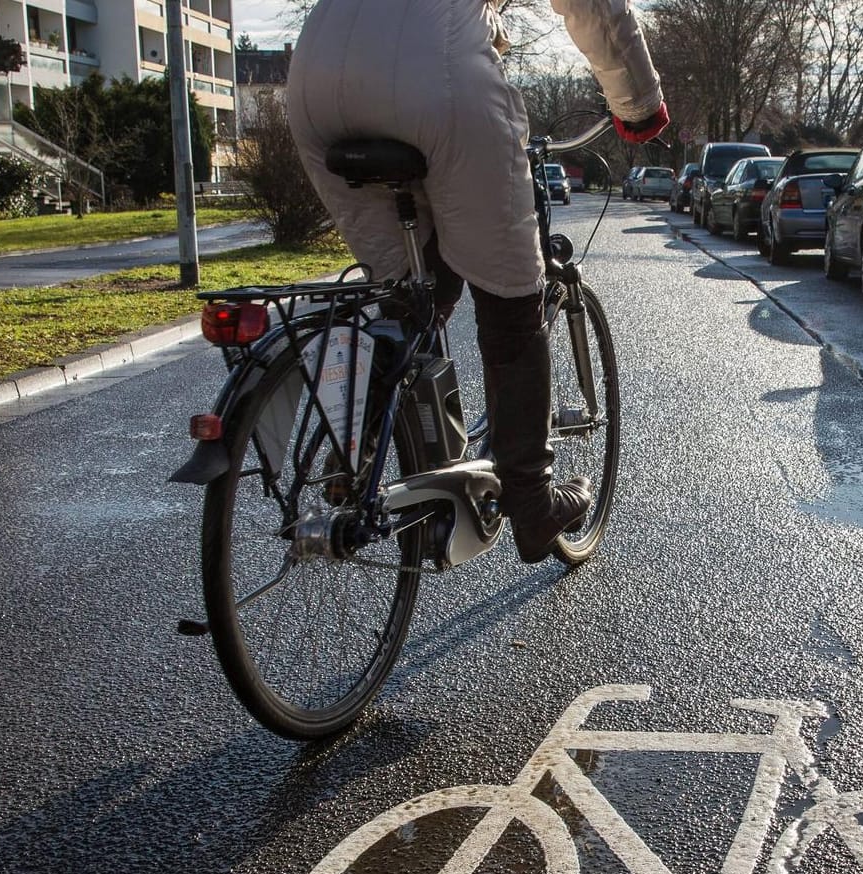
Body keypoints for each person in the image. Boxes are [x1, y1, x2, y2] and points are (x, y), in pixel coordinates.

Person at [286, 0, 668, 562]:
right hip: (433, 83)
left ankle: (352, 466)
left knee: (408, 298)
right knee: (512, 300)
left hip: (313, 83)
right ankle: (533, 505)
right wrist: (638, 105)